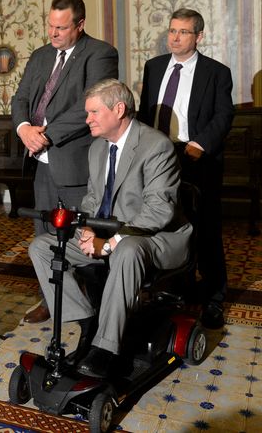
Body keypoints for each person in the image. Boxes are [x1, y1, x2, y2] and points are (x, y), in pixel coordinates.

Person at [29, 79, 192, 378]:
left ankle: (106, 348)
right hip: (108, 232)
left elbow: (158, 212)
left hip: (155, 238)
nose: (87, 119)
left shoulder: (156, 145)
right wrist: (89, 230)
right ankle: (88, 321)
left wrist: (111, 241)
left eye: (93, 112)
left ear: (118, 110)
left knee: (127, 250)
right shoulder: (97, 149)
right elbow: (93, 199)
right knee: (42, 246)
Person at [11, 0, 119, 323]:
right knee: (43, 233)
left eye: (61, 27)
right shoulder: (42, 55)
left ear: (80, 24)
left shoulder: (99, 54)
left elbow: (90, 105)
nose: (53, 33)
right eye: (50, 26)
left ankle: (99, 310)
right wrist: (24, 127)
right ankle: (53, 299)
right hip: (40, 162)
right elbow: (21, 97)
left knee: (84, 238)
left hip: (76, 161)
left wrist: (46, 134)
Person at [138, 8, 234, 329]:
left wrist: (198, 145)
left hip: (197, 158)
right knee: (167, 225)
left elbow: (223, 116)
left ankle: (214, 299)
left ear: (199, 36)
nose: (175, 38)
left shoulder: (216, 72)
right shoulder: (153, 68)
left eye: (183, 32)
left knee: (205, 230)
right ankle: (178, 288)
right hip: (157, 158)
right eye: (172, 31)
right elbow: (144, 114)